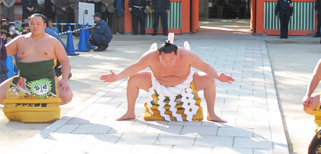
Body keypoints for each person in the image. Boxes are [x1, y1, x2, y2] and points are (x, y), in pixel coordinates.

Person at [100, 40, 235, 122]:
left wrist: (218, 76)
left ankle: (211, 114)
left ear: (177, 54)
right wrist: (117, 77)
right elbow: (134, 67)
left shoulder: (187, 56)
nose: (168, 63)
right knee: (134, 79)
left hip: (186, 84)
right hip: (158, 84)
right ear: (158, 55)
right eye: (164, 60)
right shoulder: (150, 57)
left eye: (171, 59)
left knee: (209, 79)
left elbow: (206, 66)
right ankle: (130, 112)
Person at [0, 13, 73, 105]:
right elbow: (2, 53)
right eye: (32, 23)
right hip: (22, 80)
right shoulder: (20, 40)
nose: (35, 26)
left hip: (47, 79)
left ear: (44, 25)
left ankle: (41, 102)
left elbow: (64, 60)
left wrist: (64, 79)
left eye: (38, 24)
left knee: (67, 96)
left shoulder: (53, 41)